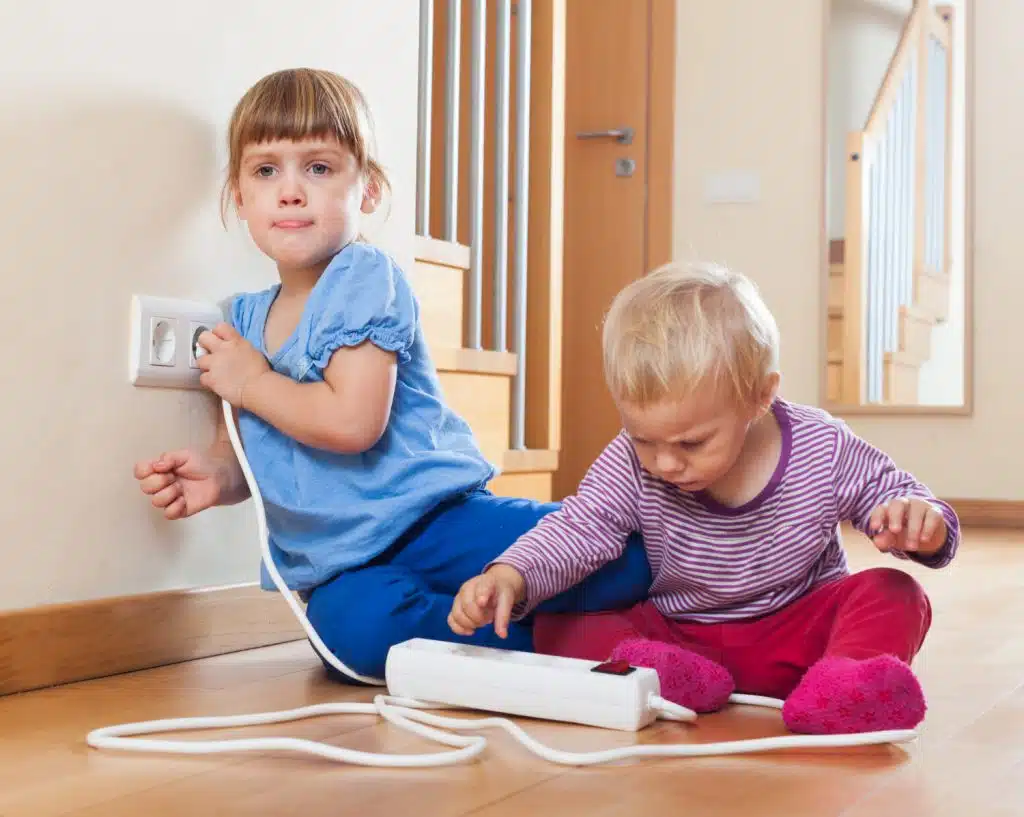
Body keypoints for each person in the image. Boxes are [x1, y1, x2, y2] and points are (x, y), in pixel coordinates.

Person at [133, 67, 651, 681]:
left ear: (368, 190)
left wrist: (250, 382)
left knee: (626, 556)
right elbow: (249, 448)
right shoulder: (239, 321)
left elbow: (352, 423)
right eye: (266, 171)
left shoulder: (362, 277)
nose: (290, 191)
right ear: (239, 196)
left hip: (438, 520)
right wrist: (218, 476)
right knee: (352, 636)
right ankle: (565, 643)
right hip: (347, 566)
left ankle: (614, 616)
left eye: (319, 168)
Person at [448, 261, 959, 735]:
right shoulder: (628, 460)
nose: (665, 463)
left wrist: (920, 523)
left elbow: (890, 492)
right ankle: (658, 674)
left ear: (761, 396)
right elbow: (582, 527)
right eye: (644, 438)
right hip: (680, 638)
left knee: (896, 593)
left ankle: (845, 684)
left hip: (798, 633)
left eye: (691, 443)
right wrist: (511, 574)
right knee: (561, 621)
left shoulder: (820, 446)